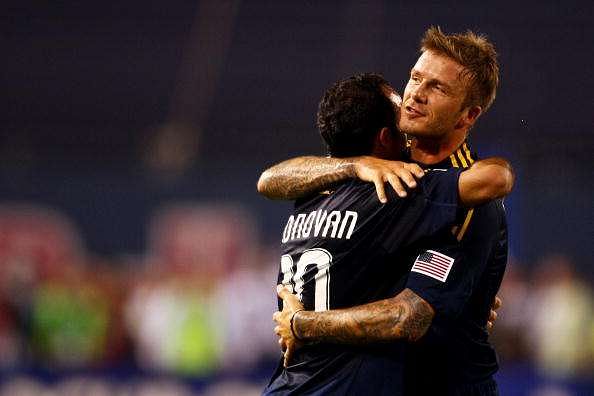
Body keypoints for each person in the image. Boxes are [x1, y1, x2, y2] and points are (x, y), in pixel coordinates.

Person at [261, 27, 507, 395]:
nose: (416, 95)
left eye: (437, 88)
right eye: (415, 78)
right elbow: (269, 179)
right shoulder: (382, 172)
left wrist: (301, 323)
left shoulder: (465, 199)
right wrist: (354, 164)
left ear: (467, 116)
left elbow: (411, 316)